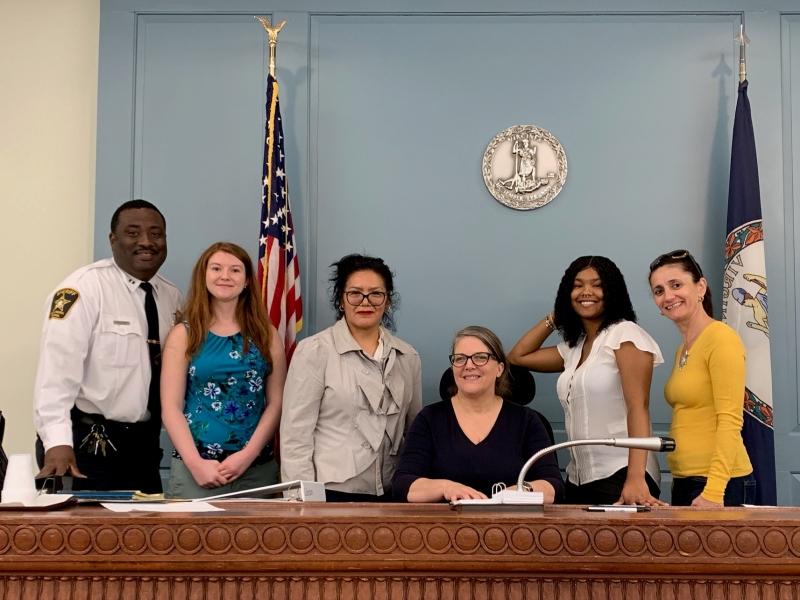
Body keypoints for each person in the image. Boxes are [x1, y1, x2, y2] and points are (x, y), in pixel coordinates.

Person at [33, 199, 182, 493]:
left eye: (156, 233)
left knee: (146, 537)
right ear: (112, 239)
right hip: (87, 447)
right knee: (82, 538)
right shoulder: (83, 290)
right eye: (133, 232)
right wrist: (57, 443)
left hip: (144, 449)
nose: (146, 242)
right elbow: (56, 374)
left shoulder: (171, 297)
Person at [508, 256, 664, 506]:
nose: (586, 291)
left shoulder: (626, 335)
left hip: (621, 474)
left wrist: (635, 478)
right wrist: (557, 316)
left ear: (611, 291)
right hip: (578, 480)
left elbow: (639, 407)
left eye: (597, 284)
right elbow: (518, 357)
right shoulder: (574, 347)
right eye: (577, 285)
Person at [280, 254, 421, 501]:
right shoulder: (314, 351)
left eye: (376, 294)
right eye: (355, 293)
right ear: (341, 300)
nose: (365, 302)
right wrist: (300, 501)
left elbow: (414, 432)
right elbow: (295, 435)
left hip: (392, 491)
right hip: (329, 492)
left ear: (387, 301)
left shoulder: (407, 356)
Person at [160, 242, 285, 498]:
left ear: (248, 280)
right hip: (196, 470)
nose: (225, 276)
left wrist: (247, 456)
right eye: (216, 268)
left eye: (235, 270)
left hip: (255, 470)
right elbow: (171, 407)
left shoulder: (266, 335)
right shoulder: (184, 334)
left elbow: (276, 403)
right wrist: (196, 465)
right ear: (203, 275)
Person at [392, 326, 563, 503]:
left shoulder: (528, 421)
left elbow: (553, 486)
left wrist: (520, 491)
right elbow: (404, 484)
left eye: (480, 358)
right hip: (445, 527)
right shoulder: (429, 419)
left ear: (500, 368)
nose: (469, 365)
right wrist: (446, 488)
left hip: (511, 526)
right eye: (460, 359)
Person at [648, 249, 754, 507]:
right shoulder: (682, 349)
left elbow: (730, 420)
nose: (668, 296)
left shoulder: (720, 339)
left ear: (700, 287)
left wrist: (714, 491)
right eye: (659, 290)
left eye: (676, 285)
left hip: (719, 484)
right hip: (686, 479)